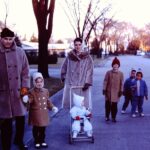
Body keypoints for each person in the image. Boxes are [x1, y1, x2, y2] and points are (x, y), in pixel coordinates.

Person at [0, 27, 30, 150]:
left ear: (14, 39)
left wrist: (24, 91)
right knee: (6, 122)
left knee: (20, 119)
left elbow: (25, 72)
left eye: (10, 39)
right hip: (3, 93)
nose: (8, 41)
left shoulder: (20, 52)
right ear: (1, 39)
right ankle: (6, 145)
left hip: (19, 92)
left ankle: (19, 140)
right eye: (5, 39)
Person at [23, 72, 58, 149]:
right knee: (36, 128)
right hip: (35, 113)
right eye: (37, 82)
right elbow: (31, 100)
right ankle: (36, 141)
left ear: (43, 82)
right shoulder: (31, 92)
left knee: (43, 129)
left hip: (43, 113)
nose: (39, 83)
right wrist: (27, 99)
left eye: (40, 81)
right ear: (34, 82)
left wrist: (52, 107)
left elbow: (48, 101)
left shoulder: (45, 91)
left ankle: (42, 140)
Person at [61, 38, 93, 109]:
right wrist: (63, 76)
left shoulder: (87, 57)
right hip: (72, 84)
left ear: (82, 45)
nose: (77, 46)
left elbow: (90, 70)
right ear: (74, 45)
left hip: (83, 85)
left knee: (84, 107)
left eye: (79, 44)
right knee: (73, 108)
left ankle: (84, 119)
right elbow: (64, 67)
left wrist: (87, 82)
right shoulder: (70, 57)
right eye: (76, 45)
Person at [103, 57, 124, 122]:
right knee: (107, 105)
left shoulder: (121, 74)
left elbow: (122, 83)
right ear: (112, 66)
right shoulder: (108, 72)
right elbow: (105, 81)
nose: (115, 67)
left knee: (114, 106)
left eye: (117, 65)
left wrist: (121, 90)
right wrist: (104, 89)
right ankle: (107, 116)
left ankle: (113, 117)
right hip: (108, 92)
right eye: (114, 65)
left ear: (118, 66)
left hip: (116, 92)